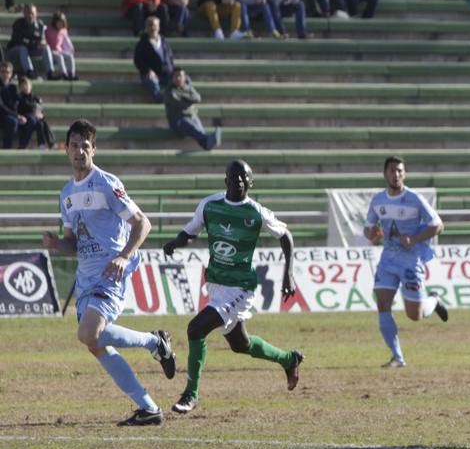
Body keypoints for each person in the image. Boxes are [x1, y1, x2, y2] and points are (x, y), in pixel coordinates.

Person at [41, 119, 177, 426]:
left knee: (89, 333)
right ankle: (148, 407)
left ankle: (154, 343)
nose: (79, 151)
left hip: (111, 274)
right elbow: (74, 244)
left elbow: (143, 223)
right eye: (74, 146)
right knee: (95, 343)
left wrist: (123, 256)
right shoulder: (66, 195)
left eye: (85, 146)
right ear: (66, 150)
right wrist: (55, 244)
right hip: (86, 279)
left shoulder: (106, 183)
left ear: (93, 149)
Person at [162, 159, 302, 415]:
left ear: (251, 182)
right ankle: (288, 359)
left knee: (196, 329)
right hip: (215, 284)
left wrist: (288, 275)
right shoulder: (210, 205)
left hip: (240, 288)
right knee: (241, 344)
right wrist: (177, 242)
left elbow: (286, 236)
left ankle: (190, 395)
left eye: (244, 177)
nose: (238, 180)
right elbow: (192, 231)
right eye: (233, 176)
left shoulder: (256, 212)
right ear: (225, 180)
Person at [365, 156, 448, 367]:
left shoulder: (415, 199)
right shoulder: (377, 201)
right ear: (385, 174)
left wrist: (415, 239)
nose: (396, 175)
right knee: (382, 304)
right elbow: (369, 229)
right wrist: (372, 234)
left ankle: (433, 301)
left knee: (415, 315)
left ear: (405, 174)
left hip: (411, 261)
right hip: (388, 260)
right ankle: (397, 357)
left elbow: (438, 225)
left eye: (400, 171)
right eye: (392, 171)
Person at [164, 67, 220, 149]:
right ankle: (207, 141)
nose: (178, 78)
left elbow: (197, 98)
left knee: (197, 126)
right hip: (177, 121)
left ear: (184, 77)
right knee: (190, 125)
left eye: (180, 76)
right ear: (172, 78)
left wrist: (184, 96)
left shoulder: (188, 87)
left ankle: (206, 144)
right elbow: (181, 104)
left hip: (192, 116)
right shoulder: (169, 91)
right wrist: (189, 99)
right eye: (176, 76)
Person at [133, 15, 174, 102]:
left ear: (158, 27)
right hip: (150, 75)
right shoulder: (142, 43)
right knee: (152, 82)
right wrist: (148, 70)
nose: (152, 28)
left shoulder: (164, 42)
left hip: (166, 73)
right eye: (150, 25)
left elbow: (170, 57)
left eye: (155, 25)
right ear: (146, 27)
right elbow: (138, 61)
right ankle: (160, 100)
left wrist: (172, 70)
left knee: (184, 78)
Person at [6, 5, 53, 80]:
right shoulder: (18, 23)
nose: (30, 15)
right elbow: (18, 41)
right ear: (24, 13)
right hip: (15, 50)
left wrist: (42, 43)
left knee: (46, 47)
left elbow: (41, 39)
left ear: (36, 14)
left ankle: (50, 72)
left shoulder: (40, 24)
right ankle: (29, 71)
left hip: (32, 49)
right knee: (23, 48)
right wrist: (34, 43)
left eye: (32, 13)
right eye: (28, 13)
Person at [15, 73, 54, 147]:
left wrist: (40, 114)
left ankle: (47, 144)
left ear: (30, 86)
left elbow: (40, 108)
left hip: (35, 118)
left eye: (27, 85)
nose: (25, 87)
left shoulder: (35, 97)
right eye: (23, 85)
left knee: (42, 123)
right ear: (20, 87)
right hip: (26, 118)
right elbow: (27, 107)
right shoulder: (19, 97)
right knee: (33, 119)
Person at [44, 11, 76, 79]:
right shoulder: (48, 30)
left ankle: (71, 74)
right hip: (51, 51)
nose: (60, 25)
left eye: (62, 23)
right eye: (59, 23)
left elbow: (67, 41)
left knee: (70, 56)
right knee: (60, 57)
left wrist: (71, 48)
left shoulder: (64, 31)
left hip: (59, 50)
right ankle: (64, 73)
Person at [0, 60, 19, 148]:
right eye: (2, 72)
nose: (5, 74)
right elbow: (1, 105)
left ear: (11, 74)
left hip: (10, 114)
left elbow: (17, 102)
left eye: (7, 72)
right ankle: (7, 147)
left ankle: (23, 146)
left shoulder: (13, 87)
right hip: (2, 114)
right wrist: (16, 115)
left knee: (31, 120)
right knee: (13, 121)